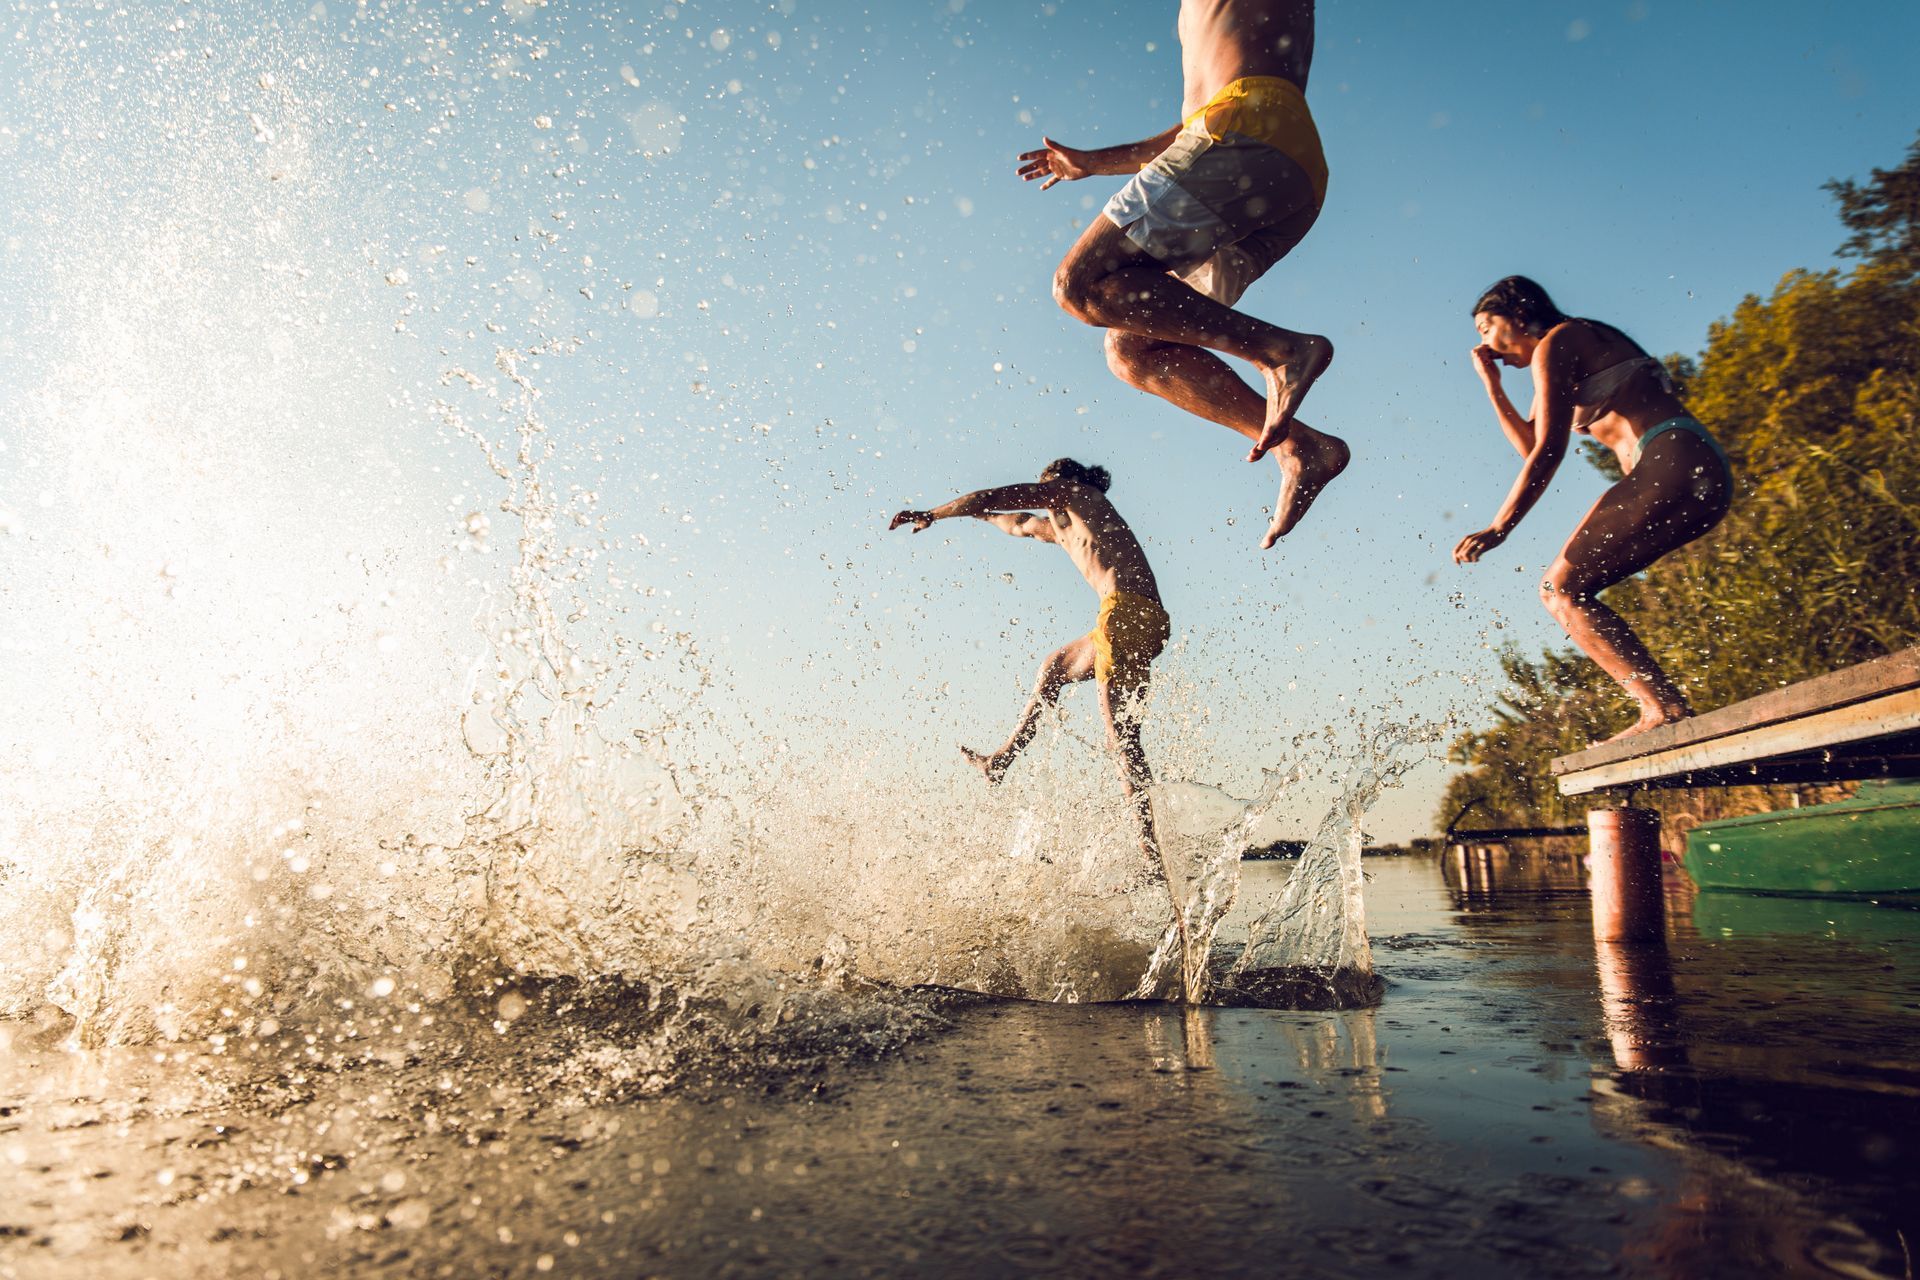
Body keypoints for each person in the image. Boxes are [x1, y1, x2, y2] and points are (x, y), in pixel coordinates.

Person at [1017, 0, 1347, 549]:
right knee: (1132, 349)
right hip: (1280, 167)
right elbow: (1194, 128)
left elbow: (1216, 122)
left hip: (1246, 133)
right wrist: (1093, 162)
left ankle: (1281, 351)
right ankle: (1301, 448)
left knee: (1082, 285)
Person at [1454, 276, 1734, 741]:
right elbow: (1530, 446)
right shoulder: (1567, 348)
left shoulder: (1559, 341)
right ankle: (1664, 707)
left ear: (1519, 316)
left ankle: (1662, 708)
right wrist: (1492, 386)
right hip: (1695, 470)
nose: (1485, 344)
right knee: (1570, 590)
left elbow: (1548, 452)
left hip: (1669, 456)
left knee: (1559, 590)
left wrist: (1500, 526)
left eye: (1487, 327)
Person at [889, 459, 1171, 883]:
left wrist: (935, 513)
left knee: (1122, 742)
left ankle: (1152, 862)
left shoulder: (1076, 495)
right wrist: (980, 517)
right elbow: (1016, 521)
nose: (1047, 498)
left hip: (1124, 615)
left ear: (1065, 482)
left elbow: (997, 495)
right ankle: (1001, 759)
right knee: (1054, 668)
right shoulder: (1065, 526)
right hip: (1133, 619)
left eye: (1048, 489)